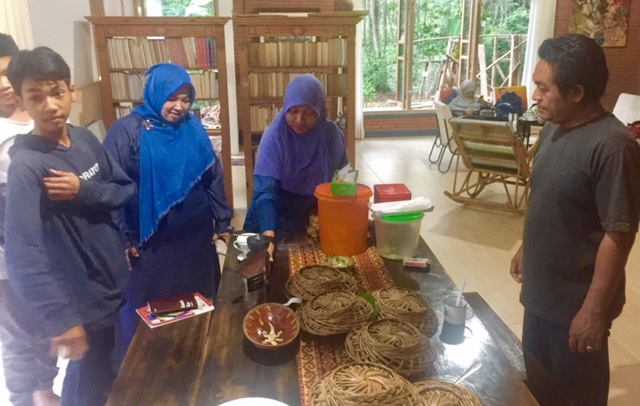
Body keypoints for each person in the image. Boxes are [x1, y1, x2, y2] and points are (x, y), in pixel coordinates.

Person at [509, 34, 640, 406]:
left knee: (575, 397)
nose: (535, 96)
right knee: (538, 386)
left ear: (577, 92)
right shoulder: (554, 128)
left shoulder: (614, 148)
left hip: (575, 308)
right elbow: (547, 198)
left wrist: (593, 312)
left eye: (542, 87)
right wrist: (525, 246)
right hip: (540, 296)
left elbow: (619, 234)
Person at [4, 47, 136, 406]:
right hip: (81, 302)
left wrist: (84, 191)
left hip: (112, 287)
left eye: (57, 92)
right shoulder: (27, 168)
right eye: (36, 97)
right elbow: (22, 254)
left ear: (72, 91)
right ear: (21, 100)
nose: (50, 105)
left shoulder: (85, 140)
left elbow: (123, 189)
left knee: (111, 373)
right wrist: (62, 320)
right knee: (87, 386)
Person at [103, 63, 233, 345]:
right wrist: (123, 239)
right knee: (152, 313)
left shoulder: (193, 127)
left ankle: (195, 350)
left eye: (186, 99)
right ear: (154, 94)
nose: (180, 107)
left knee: (196, 305)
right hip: (151, 245)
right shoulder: (126, 132)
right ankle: (152, 365)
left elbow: (212, 174)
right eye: (171, 98)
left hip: (195, 239)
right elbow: (112, 190)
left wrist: (223, 220)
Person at [0, 34, 60, 406]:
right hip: (9, 257)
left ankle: (47, 390)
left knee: (47, 328)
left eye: (8, 72)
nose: (4, 85)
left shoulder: (41, 116)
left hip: (51, 248)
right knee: (20, 334)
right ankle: (32, 396)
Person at [243, 74, 348, 247]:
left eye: (308, 113)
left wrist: (343, 217)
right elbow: (265, 193)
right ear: (285, 107)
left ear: (320, 111)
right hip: (275, 219)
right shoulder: (275, 137)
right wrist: (268, 236)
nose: (299, 120)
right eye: (293, 111)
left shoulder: (330, 134)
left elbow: (344, 178)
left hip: (315, 221)